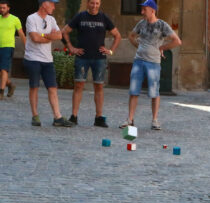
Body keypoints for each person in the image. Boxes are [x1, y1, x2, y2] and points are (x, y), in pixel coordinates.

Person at [119, 0, 181, 130]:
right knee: (133, 90)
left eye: (144, 10)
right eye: (142, 10)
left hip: (153, 63)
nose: (142, 12)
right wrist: (138, 46)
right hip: (139, 61)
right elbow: (131, 36)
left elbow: (177, 41)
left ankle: (155, 120)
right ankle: (130, 119)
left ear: (152, 10)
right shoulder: (141, 23)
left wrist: (162, 47)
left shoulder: (162, 25)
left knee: (154, 92)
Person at [62, 0, 121, 128]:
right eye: (92, 3)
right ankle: (74, 116)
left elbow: (117, 35)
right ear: (88, 3)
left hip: (99, 58)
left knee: (99, 87)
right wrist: (71, 47)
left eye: (97, 3)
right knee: (78, 86)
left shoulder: (104, 18)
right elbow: (65, 31)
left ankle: (99, 118)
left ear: (100, 4)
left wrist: (111, 50)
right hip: (82, 57)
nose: (94, 6)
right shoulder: (80, 16)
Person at [24, 0, 72, 127]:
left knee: (52, 88)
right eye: (52, 3)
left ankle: (57, 117)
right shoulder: (31, 18)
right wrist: (48, 36)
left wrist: (44, 36)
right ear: (44, 4)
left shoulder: (51, 20)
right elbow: (35, 38)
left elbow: (59, 36)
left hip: (47, 60)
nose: (54, 7)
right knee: (34, 87)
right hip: (33, 58)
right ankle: (35, 116)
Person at [0, 0, 26, 100]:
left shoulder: (15, 19)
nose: (2, 10)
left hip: (8, 47)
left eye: (4, 8)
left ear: (8, 8)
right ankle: (10, 85)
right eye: (0, 8)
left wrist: (27, 47)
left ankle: (1, 91)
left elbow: (21, 34)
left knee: (4, 69)